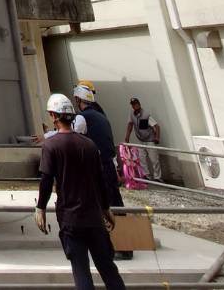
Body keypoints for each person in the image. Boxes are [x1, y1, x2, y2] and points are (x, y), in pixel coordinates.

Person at [35, 93, 127, 290]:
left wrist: (40, 207)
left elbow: (46, 180)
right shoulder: (90, 145)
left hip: (70, 218)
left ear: (53, 116)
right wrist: (105, 209)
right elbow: (100, 181)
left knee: (81, 271)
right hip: (94, 217)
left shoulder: (51, 146)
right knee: (108, 269)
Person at [73, 84, 129, 260]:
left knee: (99, 206)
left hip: (97, 167)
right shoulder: (102, 116)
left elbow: (71, 135)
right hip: (109, 166)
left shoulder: (82, 118)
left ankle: (108, 247)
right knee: (115, 203)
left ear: (78, 100)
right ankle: (126, 245)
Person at [123, 98, 162, 181]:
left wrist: (157, 137)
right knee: (141, 159)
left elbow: (156, 126)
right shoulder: (132, 114)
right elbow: (130, 125)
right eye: (133, 104)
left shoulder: (145, 115)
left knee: (154, 159)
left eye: (136, 104)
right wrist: (127, 138)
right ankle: (146, 175)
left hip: (150, 140)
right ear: (132, 106)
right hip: (140, 140)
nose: (135, 105)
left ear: (139, 104)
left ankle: (157, 177)